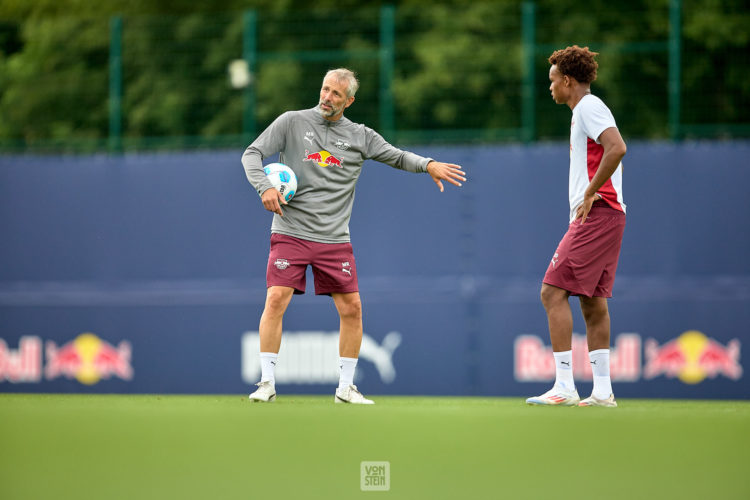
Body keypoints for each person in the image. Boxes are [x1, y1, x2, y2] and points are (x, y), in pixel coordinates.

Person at [241, 68, 466, 404]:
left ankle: (346, 388)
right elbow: (252, 154)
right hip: (291, 231)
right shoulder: (291, 122)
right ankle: (267, 383)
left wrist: (428, 163)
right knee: (276, 299)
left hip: (334, 239)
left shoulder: (360, 135)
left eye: (335, 94)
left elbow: (397, 156)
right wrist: (265, 187)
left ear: (349, 101)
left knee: (352, 309)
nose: (327, 98)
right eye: (325, 89)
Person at [526, 46, 627, 408]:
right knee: (592, 301)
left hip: (598, 213)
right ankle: (602, 391)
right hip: (609, 215)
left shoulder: (588, 107)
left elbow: (617, 147)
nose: (549, 87)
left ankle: (565, 386)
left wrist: (590, 191)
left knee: (551, 292)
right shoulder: (583, 110)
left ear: (568, 81)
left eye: (552, 80)